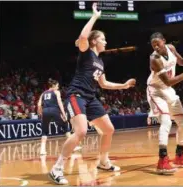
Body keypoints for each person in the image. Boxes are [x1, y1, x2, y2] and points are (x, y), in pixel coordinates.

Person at [49, 3, 136, 185]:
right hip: (76, 95)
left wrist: (124, 86)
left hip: (90, 98)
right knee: (80, 131)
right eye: (103, 39)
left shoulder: (100, 62)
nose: (106, 42)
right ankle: (57, 168)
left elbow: (103, 84)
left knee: (109, 130)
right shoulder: (86, 52)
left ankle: (103, 162)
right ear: (94, 41)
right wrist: (95, 16)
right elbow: (82, 36)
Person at [146, 32, 183, 174]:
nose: (156, 47)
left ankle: (179, 156)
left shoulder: (171, 48)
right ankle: (162, 160)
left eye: (158, 43)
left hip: (167, 90)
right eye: (153, 45)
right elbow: (169, 81)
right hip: (155, 90)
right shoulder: (154, 59)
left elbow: (181, 61)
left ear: (164, 41)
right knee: (166, 121)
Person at [37, 78, 70, 155]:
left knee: (44, 131)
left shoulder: (43, 93)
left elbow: (39, 105)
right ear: (54, 85)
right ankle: (72, 146)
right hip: (54, 110)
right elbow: (59, 102)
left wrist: (40, 113)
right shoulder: (56, 92)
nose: (58, 87)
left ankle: (42, 150)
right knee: (65, 125)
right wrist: (64, 114)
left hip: (45, 111)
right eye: (57, 86)